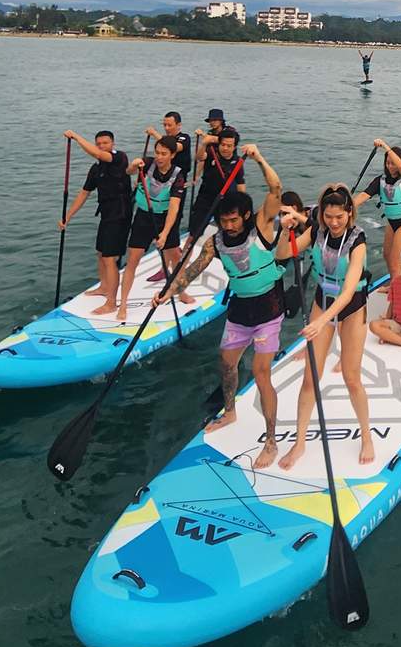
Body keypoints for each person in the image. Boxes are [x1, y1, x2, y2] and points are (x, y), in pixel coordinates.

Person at [154, 145, 287, 469]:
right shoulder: (215, 242)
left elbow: (276, 189)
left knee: (261, 372)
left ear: (243, 215)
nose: (228, 226)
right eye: (223, 221)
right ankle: (230, 411)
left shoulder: (261, 228)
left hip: (269, 309)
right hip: (240, 310)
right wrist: (169, 290)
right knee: (226, 365)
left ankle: (271, 442)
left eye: (232, 220)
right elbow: (192, 270)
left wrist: (257, 159)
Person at [278, 184, 373, 469]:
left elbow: (347, 292)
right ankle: (299, 443)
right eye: (328, 217)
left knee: (351, 378)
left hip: (352, 308)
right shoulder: (317, 231)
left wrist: (321, 321)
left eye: (339, 217)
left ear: (349, 214)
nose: (333, 223)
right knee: (310, 380)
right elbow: (282, 254)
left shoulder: (358, 241)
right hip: (322, 301)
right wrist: (285, 230)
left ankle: (366, 436)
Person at [58, 129, 131, 315]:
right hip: (106, 215)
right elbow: (84, 193)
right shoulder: (95, 169)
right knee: (100, 253)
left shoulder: (120, 158)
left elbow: (97, 154)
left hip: (120, 215)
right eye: (99, 143)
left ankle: (112, 302)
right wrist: (68, 216)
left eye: (105, 143)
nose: (102, 146)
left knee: (109, 258)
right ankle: (104, 286)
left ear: (112, 144)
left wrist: (76, 137)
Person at [117, 138, 186, 321]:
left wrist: (164, 234)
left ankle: (182, 291)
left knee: (176, 258)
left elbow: (174, 207)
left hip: (165, 219)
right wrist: (133, 166)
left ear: (172, 155)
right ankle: (123, 304)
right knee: (132, 260)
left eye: (164, 154)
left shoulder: (178, 176)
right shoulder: (146, 164)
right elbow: (128, 172)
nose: (159, 157)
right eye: (157, 153)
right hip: (143, 217)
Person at [144, 112, 195, 296]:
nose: (166, 128)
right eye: (164, 125)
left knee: (170, 226)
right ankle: (164, 266)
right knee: (159, 226)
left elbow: (174, 147)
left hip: (177, 186)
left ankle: (175, 271)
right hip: (160, 189)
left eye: (169, 125)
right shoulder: (164, 146)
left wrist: (156, 135)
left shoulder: (184, 138)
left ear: (178, 125)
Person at [353, 138, 401, 283]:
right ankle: (394, 285)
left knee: (396, 261)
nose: (390, 166)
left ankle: (397, 296)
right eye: (387, 163)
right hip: (392, 222)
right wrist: (349, 206)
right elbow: (365, 194)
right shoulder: (380, 180)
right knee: (387, 255)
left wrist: (385, 147)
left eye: (393, 163)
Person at [189, 123, 245, 236]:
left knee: (228, 231)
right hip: (206, 199)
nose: (225, 148)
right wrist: (204, 143)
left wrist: (242, 204)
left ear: (234, 147)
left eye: (229, 146)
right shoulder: (212, 154)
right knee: (194, 233)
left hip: (226, 200)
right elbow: (199, 158)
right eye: (222, 144)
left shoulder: (238, 162)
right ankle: (186, 251)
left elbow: (240, 183)